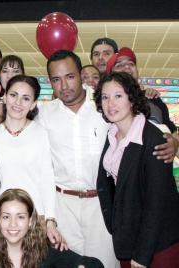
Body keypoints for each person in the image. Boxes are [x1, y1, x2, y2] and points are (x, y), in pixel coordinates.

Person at [37, 50, 177, 268]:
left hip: (102, 205)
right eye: (56, 79)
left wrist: (174, 141)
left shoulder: (103, 103)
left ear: (81, 74)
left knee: (106, 263)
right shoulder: (45, 113)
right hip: (63, 205)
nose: (64, 85)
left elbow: (152, 129)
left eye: (70, 76)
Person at [94, 72, 179, 268]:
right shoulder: (112, 134)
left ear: (131, 99)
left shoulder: (153, 139)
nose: (110, 103)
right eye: (105, 97)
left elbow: (156, 203)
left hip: (156, 245)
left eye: (118, 96)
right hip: (129, 236)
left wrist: (142, 256)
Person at [0, 75, 62, 247]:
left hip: (35, 217)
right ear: (5, 97)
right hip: (0, 217)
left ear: (33, 104)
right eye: (13, 95)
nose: (18, 102)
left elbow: (47, 177)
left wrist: (50, 218)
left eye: (26, 98)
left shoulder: (41, 133)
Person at [0, 189, 104, 268]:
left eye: (20, 217)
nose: (13, 224)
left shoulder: (44, 249)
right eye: (6, 217)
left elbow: (93, 264)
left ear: (30, 221)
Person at [106, 47, 177, 133]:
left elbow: (172, 131)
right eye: (119, 65)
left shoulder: (153, 99)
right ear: (111, 75)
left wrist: (174, 142)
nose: (127, 66)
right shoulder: (106, 104)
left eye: (131, 64)